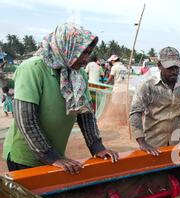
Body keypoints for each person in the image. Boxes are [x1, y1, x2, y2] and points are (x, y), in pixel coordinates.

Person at [2, 23, 119, 174]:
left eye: (89, 53)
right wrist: (52, 157)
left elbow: (86, 114)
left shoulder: (78, 74)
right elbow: (26, 120)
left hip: (54, 154)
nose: (85, 59)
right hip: (26, 157)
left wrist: (97, 146)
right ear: (65, 48)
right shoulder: (32, 69)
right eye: (82, 53)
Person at [129, 47, 180, 156]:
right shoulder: (147, 86)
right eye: (170, 68)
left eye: (176, 67)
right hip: (153, 144)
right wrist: (141, 142)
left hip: (175, 143)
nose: (174, 71)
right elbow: (135, 112)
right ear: (159, 65)